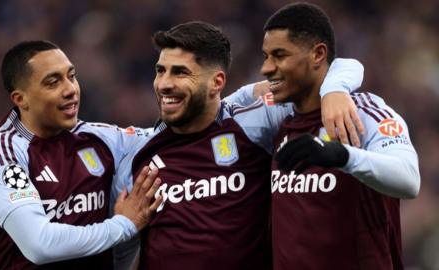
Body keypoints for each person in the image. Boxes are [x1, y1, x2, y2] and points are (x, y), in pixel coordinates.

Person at [113, 21, 364, 270]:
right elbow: (119, 254)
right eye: (160, 71)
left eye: (180, 72)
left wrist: (334, 90)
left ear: (217, 82)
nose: (164, 83)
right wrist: (124, 228)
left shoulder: (252, 124)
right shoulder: (139, 151)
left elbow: (338, 67)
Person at [0, 40, 162, 269]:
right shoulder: (1, 152)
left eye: (71, 76)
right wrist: (124, 225)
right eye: (53, 83)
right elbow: (40, 244)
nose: (70, 89)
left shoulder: (99, 139)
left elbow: (166, 135)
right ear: (21, 99)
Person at [258, 3, 420, 269]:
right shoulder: (277, 123)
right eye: (265, 56)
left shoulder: (365, 112)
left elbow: (409, 179)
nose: (266, 68)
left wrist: (343, 156)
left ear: (318, 55)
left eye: (279, 55)